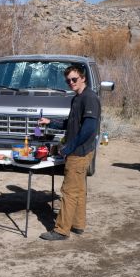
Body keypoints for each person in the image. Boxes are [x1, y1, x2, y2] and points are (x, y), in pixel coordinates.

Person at [37, 65, 101, 241]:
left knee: (69, 191)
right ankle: (78, 225)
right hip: (78, 150)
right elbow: (71, 123)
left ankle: (61, 230)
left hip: (79, 152)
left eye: (74, 79)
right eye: (68, 80)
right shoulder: (77, 98)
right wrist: (51, 122)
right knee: (79, 189)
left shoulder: (90, 98)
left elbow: (88, 129)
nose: (70, 83)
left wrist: (68, 147)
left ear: (83, 78)